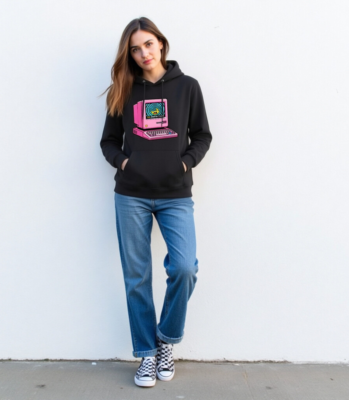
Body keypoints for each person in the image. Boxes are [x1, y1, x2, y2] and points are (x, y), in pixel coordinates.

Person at [99, 16, 212, 387]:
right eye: (135, 49)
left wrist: (184, 163)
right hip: (131, 195)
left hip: (175, 195)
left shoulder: (187, 87)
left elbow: (202, 135)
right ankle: (147, 354)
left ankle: (166, 338)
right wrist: (125, 163)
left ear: (161, 43)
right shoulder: (123, 89)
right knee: (137, 278)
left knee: (184, 268)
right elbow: (108, 142)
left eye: (148, 44)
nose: (143, 53)